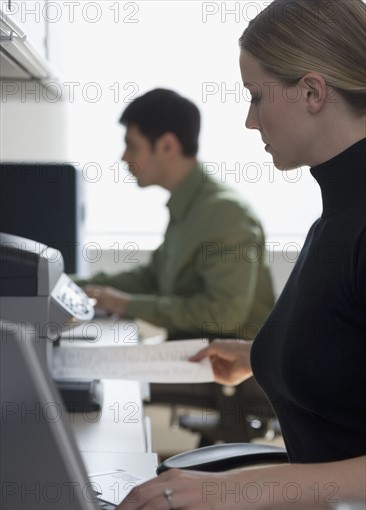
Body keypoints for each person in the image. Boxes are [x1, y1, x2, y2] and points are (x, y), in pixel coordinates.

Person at [109, 0, 366, 510]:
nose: (250, 120)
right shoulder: (339, 215)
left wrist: (237, 490)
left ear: (314, 92)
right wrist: (261, 355)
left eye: (255, 96)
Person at [77, 88, 275, 342]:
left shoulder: (226, 213)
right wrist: (76, 286)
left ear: (167, 146)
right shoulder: (190, 205)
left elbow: (224, 314)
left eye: (132, 146)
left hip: (227, 371)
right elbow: (151, 278)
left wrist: (125, 304)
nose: (124, 158)